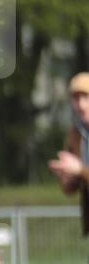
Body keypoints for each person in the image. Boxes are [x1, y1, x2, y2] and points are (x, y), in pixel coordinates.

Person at [48, 72, 89, 239]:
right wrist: (66, 177)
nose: (81, 104)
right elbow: (71, 189)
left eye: (85, 97)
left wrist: (80, 170)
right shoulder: (75, 133)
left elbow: (81, 170)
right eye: (75, 98)